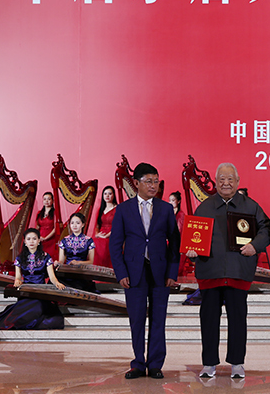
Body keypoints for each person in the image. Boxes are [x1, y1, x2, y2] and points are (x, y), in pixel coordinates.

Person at [185, 163, 270, 379]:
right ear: (216, 182)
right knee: (208, 320)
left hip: (238, 271)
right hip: (210, 272)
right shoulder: (204, 207)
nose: (226, 183)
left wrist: (255, 246)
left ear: (238, 181)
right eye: (222, 179)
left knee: (238, 319)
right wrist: (192, 251)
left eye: (230, 179)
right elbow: (193, 237)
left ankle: (237, 363)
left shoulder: (250, 206)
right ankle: (208, 363)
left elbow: (267, 229)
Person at [109, 162, 180, 380]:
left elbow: (174, 243)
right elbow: (115, 244)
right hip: (133, 273)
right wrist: (121, 273)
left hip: (160, 272)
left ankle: (156, 364)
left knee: (158, 320)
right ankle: (138, 363)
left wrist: (172, 273)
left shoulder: (165, 209)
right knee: (137, 320)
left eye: (156, 181)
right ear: (136, 183)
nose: (153, 185)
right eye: (148, 181)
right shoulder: (123, 210)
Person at [0, 228, 65, 329]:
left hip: (41, 294)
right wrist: (17, 281)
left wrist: (57, 283)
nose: (31, 241)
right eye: (28, 239)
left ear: (38, 241)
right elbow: (18, 277)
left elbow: (52, 277)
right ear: (25, 242)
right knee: (16, 312)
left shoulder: (46, 257)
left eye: (34, 239)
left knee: (37, 306)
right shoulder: (20, 258)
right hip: (26, 292)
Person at [56, 212, 96, 292]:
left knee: (78, 286)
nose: (74, 225)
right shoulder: (64, 240)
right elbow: (61, 261)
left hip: (82, 272)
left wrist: (78, 263)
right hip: (67, 272)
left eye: (77, 223)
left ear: (83, 224)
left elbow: (90, 262)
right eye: (72, 223)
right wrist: (58, 263)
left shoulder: (89, 241)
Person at [92, 186, 117, 268]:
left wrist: (107, 235)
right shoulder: (101, 209)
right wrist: (97, 234)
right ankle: (97, 271)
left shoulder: (117, 209)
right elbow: (97, 225)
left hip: (112, 234)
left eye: (110, 194)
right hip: (101, 234)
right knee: (94, 242)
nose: (107, 196)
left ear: (114, 195)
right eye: (105, 194)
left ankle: (107, 270)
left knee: (105, 243)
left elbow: (117, 226)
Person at [36, 192, 59, 260]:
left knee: (50, 258)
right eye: (44, 199)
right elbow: (37, 226)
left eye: (49, 199)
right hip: (40, 238)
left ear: (53, 201)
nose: (46, 201)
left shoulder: (55, 213)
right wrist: (37, 237)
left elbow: (55, 228)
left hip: (51, 239)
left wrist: (46, 238)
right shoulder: (39, 213)